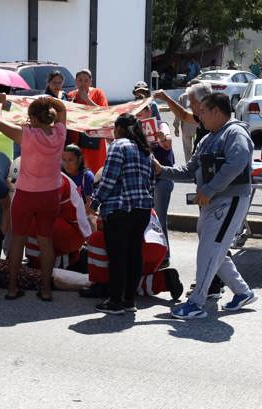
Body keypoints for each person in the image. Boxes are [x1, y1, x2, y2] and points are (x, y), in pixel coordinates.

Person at [153, 92, 257, 320]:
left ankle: (196, 302)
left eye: (202, 112)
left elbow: (238, 162)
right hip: (213, 203)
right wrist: (162, 170)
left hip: (229, 201)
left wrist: (209, 190)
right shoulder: (208, 138)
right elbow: (189, 170)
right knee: (216, 250)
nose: (199, 117)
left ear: (217, 112)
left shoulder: (235, 132)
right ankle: (242, 292)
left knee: (209, 249)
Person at [0, 94, 67, 301]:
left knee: (18, 241)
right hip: (50, 194)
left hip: (26, 194)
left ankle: (12, 287)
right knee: (46, 242)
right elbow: (61, 110)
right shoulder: (60, 132)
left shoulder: (27, 134)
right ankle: (45, 289)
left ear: (33, 118)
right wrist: (50, 100)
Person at [89, 113, 154, 315]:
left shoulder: (118, 145)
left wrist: (94, 202)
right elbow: (151, 182)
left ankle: (115, 301)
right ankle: (129, 300)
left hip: (119, 209)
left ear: (118, 128)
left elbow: (108, 179)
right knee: (134, 254)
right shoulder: (146, 151)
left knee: (117, 256)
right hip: (142, 210)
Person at [24, 173, 92, 270]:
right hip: (71, 227)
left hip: (74, 231)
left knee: (35, 224)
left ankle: (55, 266)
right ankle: (37, 262)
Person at [136, 104, 174, 267]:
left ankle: (164, 255)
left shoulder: (160, 124)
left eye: (142, 109)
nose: (139, 113)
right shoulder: (136, 129)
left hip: (162, 178)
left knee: (159, 217)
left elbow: (167, 142)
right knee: (146, 218)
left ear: (149, 111)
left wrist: (162, 137)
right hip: (146, 179)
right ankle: (151, 254)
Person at [67, 69, 109, 173]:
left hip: (93, 138)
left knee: (94, 170)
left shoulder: (98, 93)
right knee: (77, 169)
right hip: (76, 138)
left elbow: (104, 113)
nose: (83, 83)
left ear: (91, 82)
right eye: (80, 80)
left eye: (86, 80)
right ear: (76, 81)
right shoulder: (70, 95)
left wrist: (87, 99)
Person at [154, 82, 213, 153]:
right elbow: (184, 115)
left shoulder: (216, 126)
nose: (190, 106)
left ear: (202, 102)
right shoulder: (202, 118)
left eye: (193, 103)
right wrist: (167, 99)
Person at [172, 80, 200, 163]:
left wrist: (176, 126)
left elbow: (178, 113)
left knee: (187, 149)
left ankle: (189, 165)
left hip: (186, 127)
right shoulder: (202, 97)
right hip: (198, 126)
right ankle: (196, 165)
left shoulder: (183, 97)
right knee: (198, 147)